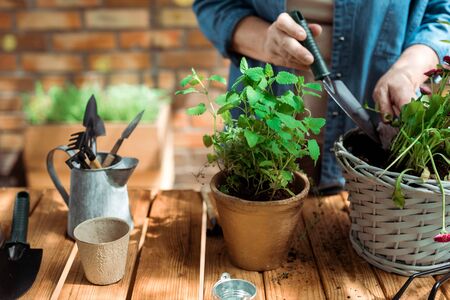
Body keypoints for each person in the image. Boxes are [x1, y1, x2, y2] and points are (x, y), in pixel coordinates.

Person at [193, 0, 450, 194]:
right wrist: (264, 41)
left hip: (371, 166)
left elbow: (442, 12)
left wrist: (409, 70)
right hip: (258, 152)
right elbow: (214, 5)